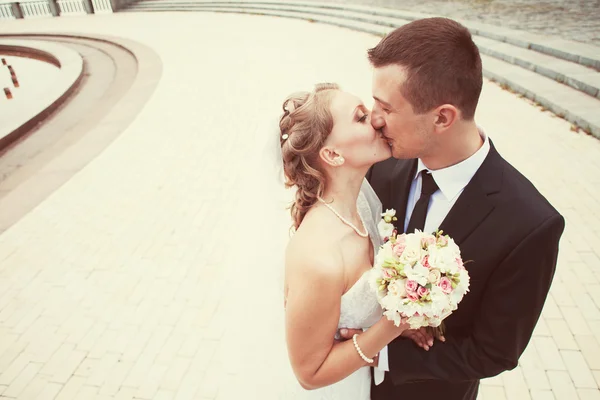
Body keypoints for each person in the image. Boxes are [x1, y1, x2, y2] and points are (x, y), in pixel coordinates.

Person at [337, 17, 566, 400]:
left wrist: (380, 352)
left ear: (442, 117)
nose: (375, 120)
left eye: (387, 108)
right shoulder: (380, 163)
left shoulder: (529, 224)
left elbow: (493, 352)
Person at [280, 82, 428, 399]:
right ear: (332, 154)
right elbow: (309, 374)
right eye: (361, 117)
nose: (376, 119)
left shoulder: (363, 202)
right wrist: (394, 325)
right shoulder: (319, 257)